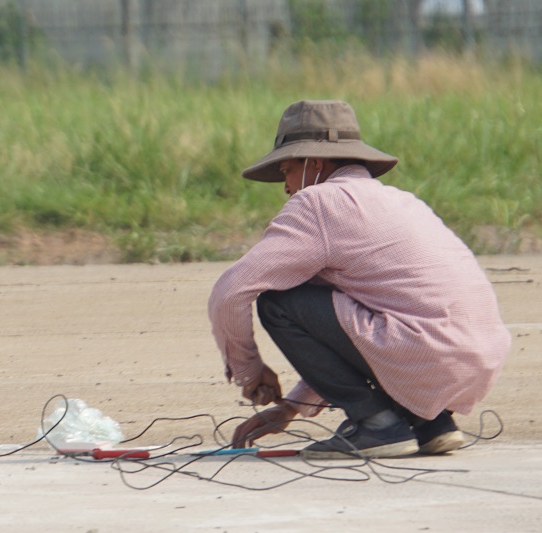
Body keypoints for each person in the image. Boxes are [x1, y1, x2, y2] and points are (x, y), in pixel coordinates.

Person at [207, 100, 511, 459]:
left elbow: (230, 292)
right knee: (378, 310)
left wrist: (250, 373)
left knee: (278, 302)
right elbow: (351, 330)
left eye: (287, 170)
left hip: (424, 350)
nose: (286, 187)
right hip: (478, 357)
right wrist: (291, 407)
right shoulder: (403, 201)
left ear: (314, 164)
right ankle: (431, 424)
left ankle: (377, 424)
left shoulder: (318, 203)